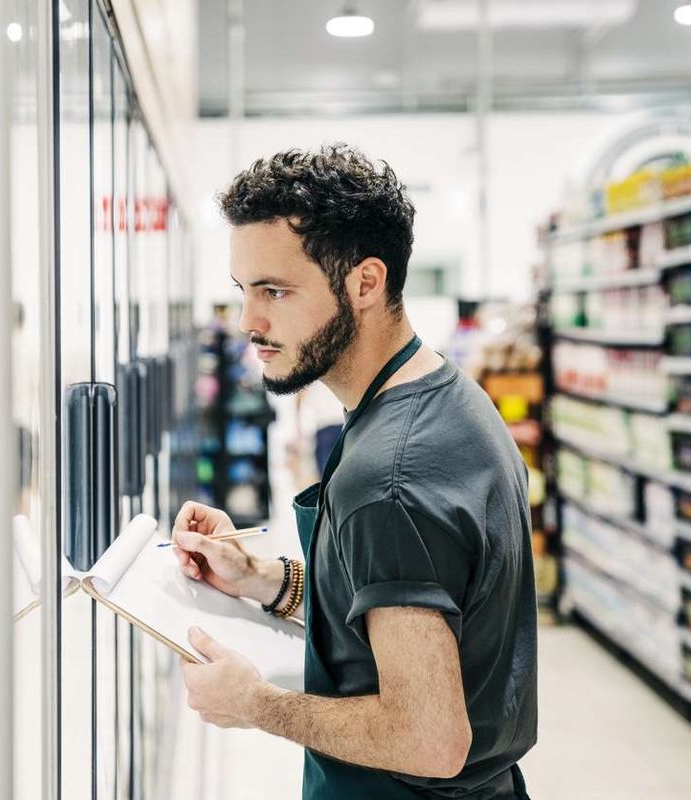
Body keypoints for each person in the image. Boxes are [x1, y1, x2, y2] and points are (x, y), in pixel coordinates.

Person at [170, 145, 537, 799]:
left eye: (275, 291)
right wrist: (261, 578)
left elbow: (430, 739)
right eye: (243, 290)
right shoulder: (447, 399)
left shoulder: (387, 476)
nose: (250, 322)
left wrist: (254, 703)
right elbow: (406, 613)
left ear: (365, 283)